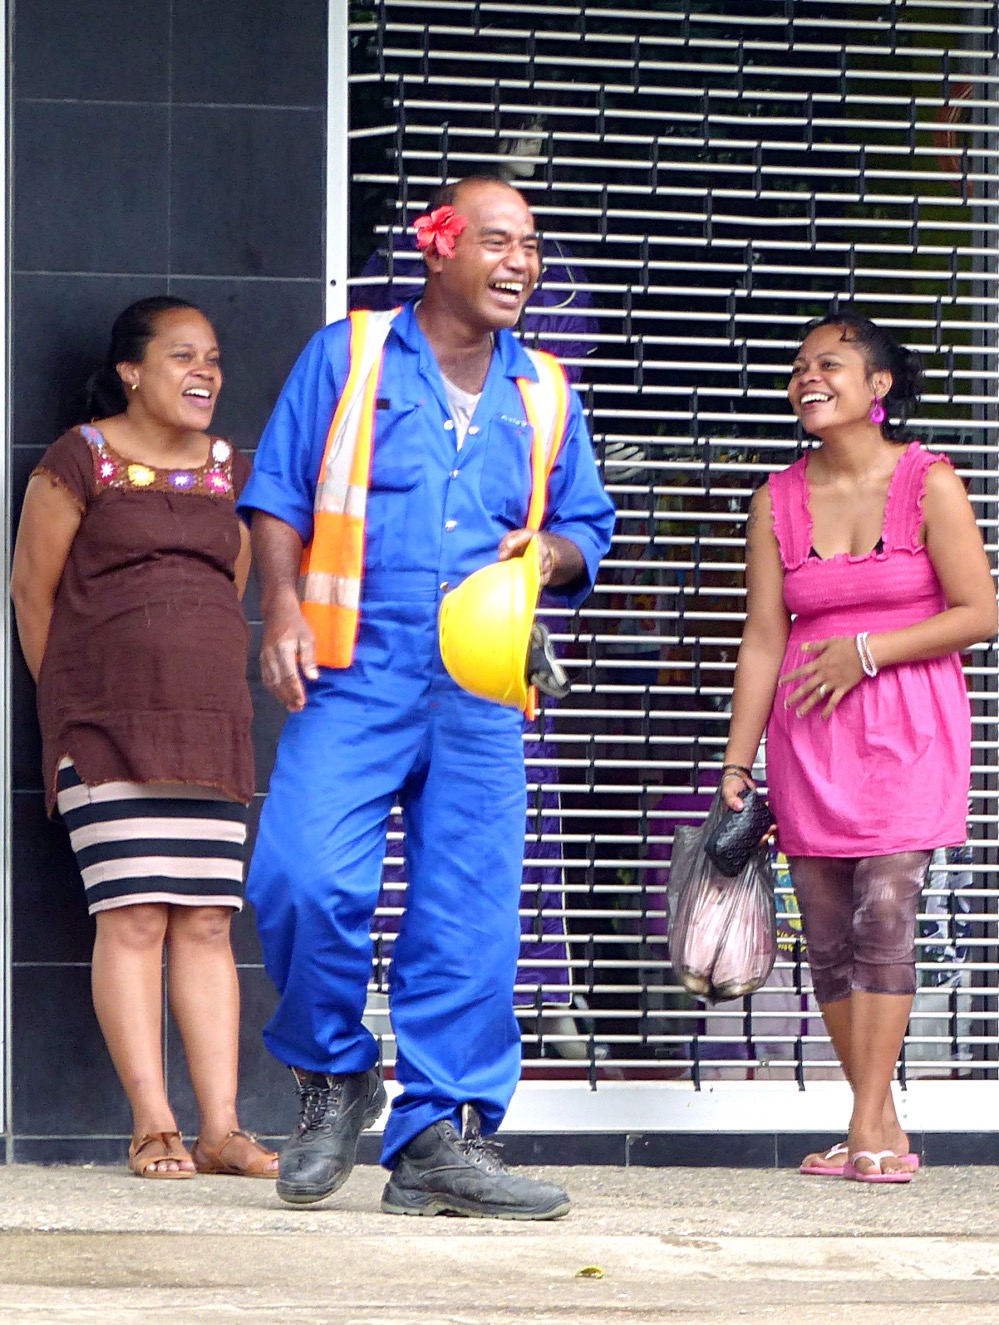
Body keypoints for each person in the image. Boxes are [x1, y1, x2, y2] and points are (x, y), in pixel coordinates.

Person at [239, 175, 616, 1218]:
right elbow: (278, 492)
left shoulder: (545, 390)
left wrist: (549, 552)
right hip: (354, 672)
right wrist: (279, 609)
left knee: (468, 919)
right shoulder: (349, 355)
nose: (521, 263)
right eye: (497, 241)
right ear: (437, 246)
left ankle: (440, 1139)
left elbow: (586, 526)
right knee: (302, 874)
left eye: (530, 246)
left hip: (480, 692)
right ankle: (334, 1072)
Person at [720, 309, 996, 1182]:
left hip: (908, 726)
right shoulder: (774, 499)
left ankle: (864, 1119)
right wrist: (736, 761)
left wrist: (867, 651)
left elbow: (979, 612)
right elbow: (762, 639)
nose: (808, 376)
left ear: (877, 385)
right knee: (828, 931)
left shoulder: (928, 481)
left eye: (830, 363)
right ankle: (878, 1123)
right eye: (799, 365)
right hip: (809, 734)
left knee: (886, 908)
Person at [10, 296, 277, 1181]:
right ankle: (152, 1124)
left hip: (208, 730)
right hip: (105, 731)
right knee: (133, 916)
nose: (206, 372)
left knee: (206, 918)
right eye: (183, 356)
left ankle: (221, 1128)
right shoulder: (78, 457)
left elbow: (229, 584)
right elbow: (30, 592)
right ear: (131, 370)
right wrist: (72, 701)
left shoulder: (229, 468)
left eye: (214, 358)